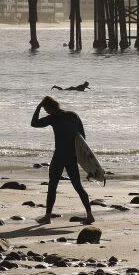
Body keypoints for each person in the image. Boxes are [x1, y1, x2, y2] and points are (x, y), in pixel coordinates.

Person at [31, 96, 94, 225]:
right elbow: (82, 138)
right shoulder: (73, 115)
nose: (46, 112)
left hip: (60, 155)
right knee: (78, 186)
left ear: (49, 107)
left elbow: (34, 123)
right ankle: (89, 215)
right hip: (72, 156)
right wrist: (82, 157)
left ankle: (47, 217)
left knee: (52, 185)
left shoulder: (53, 117)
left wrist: (37, 107)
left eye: (45, 109)